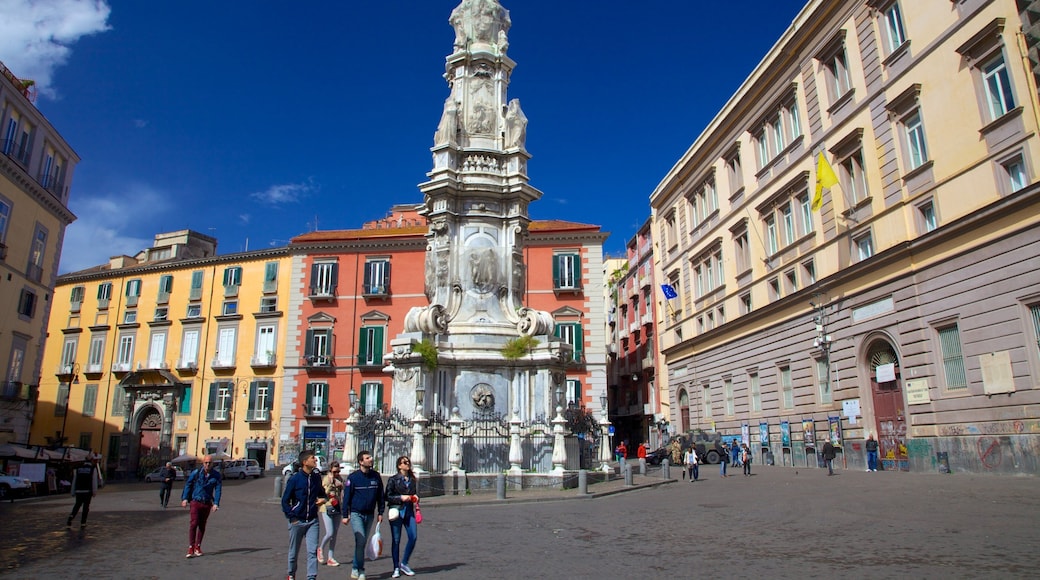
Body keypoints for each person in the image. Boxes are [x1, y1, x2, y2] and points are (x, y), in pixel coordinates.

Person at [283, 449, 328, 580]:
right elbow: (285, 501)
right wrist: (292, 517)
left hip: (312, 520)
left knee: (312, 551)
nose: (315, 460)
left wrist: (323, 499)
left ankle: (311, 577)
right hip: (298, 521)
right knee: (293, 552)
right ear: (305, 462)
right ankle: (291, 574)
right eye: (313, 458)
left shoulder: (316, 477)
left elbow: (322, 493)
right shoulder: (295, 479)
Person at [343, 450, 384, 580]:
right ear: (361, 461)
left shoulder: (376, 476)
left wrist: (381, 512)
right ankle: (361, 569)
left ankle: (355, 567)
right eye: (367, 458)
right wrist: (345, 514)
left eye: (370, 457)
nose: (370, 459)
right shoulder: (353, 478)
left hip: (370, 514)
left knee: (362, 543)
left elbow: (380, 496)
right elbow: (347, 498)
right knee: (360, 540)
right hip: (356, 513)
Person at [181, 454, 222, 558]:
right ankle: (191, 546)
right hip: (196, 500)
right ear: (203, 463)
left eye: (209, 463)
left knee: (202, 525)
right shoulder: (196, 473)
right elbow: (188, 484)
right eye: (206, 462)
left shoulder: (216, 475)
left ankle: (198, 546)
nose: (207, 464)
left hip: (207, 502)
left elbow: (218, 490)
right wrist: (185, 498)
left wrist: (216, 503)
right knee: (194, 523)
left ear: (212, 464)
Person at [384, 456, 419, 578]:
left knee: (413, 536)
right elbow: (387, 496)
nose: (407, 463)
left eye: (408, 462)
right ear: (399, 466)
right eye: (404, 462)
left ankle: (404, 562)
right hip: (397, 511)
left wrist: (415, 497)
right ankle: (396, 567)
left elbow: (413, 493)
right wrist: (400, 498)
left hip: (409, 511)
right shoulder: (393, 479)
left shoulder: (412, 479)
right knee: (396, 540)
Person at [318, 461, 346, 567]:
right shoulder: (326, 479)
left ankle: (331, 557)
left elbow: (343, 491)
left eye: (338, 471)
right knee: (329, 532)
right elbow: (323, 493)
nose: (337, 473)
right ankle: (320, 548)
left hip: (337, 506)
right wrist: (331, 483)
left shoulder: (340, 479)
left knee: (334, 534)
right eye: (334, 471)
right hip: (327, 507)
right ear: (330, 470)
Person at [66, 457, 98, 528]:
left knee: (77, 505)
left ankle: (70, 518)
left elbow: (75, 480)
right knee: (86, 507)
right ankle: (83, 523)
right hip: (87, 491)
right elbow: (94, 481)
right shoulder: (93, 468)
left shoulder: (78, 468)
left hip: (78, 490)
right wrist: (94, 491)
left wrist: (73, 491)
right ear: (91, 461)